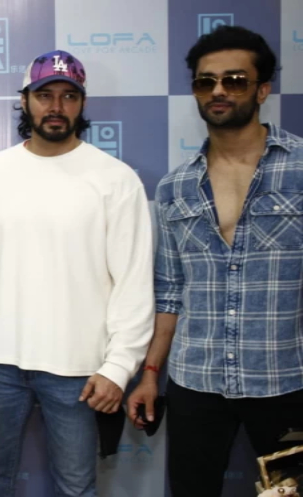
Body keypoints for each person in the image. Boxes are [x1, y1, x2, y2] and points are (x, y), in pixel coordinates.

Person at [0, 50, 154, 496]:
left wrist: (119, 367)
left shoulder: (116, 179)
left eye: (69, 96)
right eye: (44, 95)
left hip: (79, 370)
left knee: (76, 487)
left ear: (82, 103)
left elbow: (133, 281)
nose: (56, 106)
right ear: (25, 100)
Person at [126, 25, 303, 496]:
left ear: (262, 90)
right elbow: (170, 290)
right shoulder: (175, 186)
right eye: (206, 81)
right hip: (196, 381)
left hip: (286, 381)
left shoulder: (300, 168)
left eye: (235, 80)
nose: (218, 90)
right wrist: (150, 374)